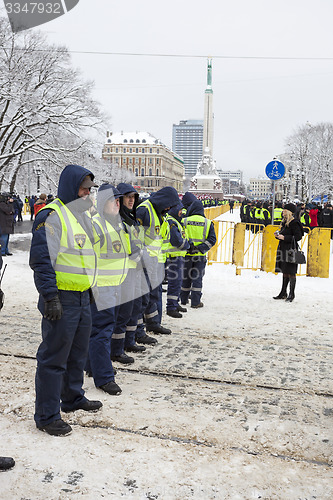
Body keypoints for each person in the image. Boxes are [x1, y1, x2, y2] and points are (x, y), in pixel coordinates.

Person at [29, 164, 102, 436]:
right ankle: (47, 415)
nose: (88, 194)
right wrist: (50, 297)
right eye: (84, 189)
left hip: (82, 297)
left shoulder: (81, 216)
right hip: (61, 298)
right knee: (53, 358)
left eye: (90, 190)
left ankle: (72, 397)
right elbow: (41, 260)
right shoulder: (52, 216)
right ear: (71, 188)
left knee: (77, 354)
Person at [87, 184, 130, 392]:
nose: (118, 204)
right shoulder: (96, 225)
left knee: (100, 330)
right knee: (102, 332)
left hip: (114, 285)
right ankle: (104, 377)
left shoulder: (117, 224)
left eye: (119, 201)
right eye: (114, 200)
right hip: (101, 287)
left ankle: (92, 366)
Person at [136, 187, 180, 335]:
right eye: (168, 205)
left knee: (153, 297)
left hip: (155, 261)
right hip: (144, 262)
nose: (168, 208)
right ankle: (138, 331)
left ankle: (153, 323)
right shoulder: (144, 210)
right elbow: (136, 237)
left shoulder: (160, 213)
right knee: (143, 299)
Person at [180, 198, 216, 308]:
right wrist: (200, 248)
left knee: (185, 277)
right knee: (197, 278)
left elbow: (180, 236)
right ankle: (195, 302)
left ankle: (183, 300)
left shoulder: (184, 221)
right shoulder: (208, 223)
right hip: (200, 256)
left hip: (186, 255)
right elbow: (212, 240)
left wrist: (189, 247)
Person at [273, 203, 304, 303]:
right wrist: (278, 235)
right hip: (283, 248)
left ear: (289, 211)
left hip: (291, 250)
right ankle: (283, 292)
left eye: (284, 210)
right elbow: (284, 233)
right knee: (285, 271)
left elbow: (298, 236)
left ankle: (292, 294)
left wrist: (285, 237)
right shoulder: (284, 221)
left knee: (291, 272)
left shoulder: (294, 222)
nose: (282, 211)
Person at [165, 202, 190, 318]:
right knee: (174, 283)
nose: (181, 212)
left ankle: (175, 303)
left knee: (178, 282)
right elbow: (177, 241)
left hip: (178, 256)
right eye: (180, 210)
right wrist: (188, 245)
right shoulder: (172, 221)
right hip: (174, 257)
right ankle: (171, 307)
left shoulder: (176, 221)